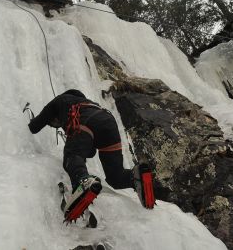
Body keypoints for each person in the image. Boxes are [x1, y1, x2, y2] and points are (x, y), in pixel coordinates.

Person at [28, 89, 155, 220]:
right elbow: (90, 151)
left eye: (55, 124)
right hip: (108, 122)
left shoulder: (60, 100)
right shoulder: (88, 103)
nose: (58, 126)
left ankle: (83, 181)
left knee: (71, 156)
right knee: (115, 177)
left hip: (86, 121)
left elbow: (34, 127)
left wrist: (27, 119)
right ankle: (136, 175)